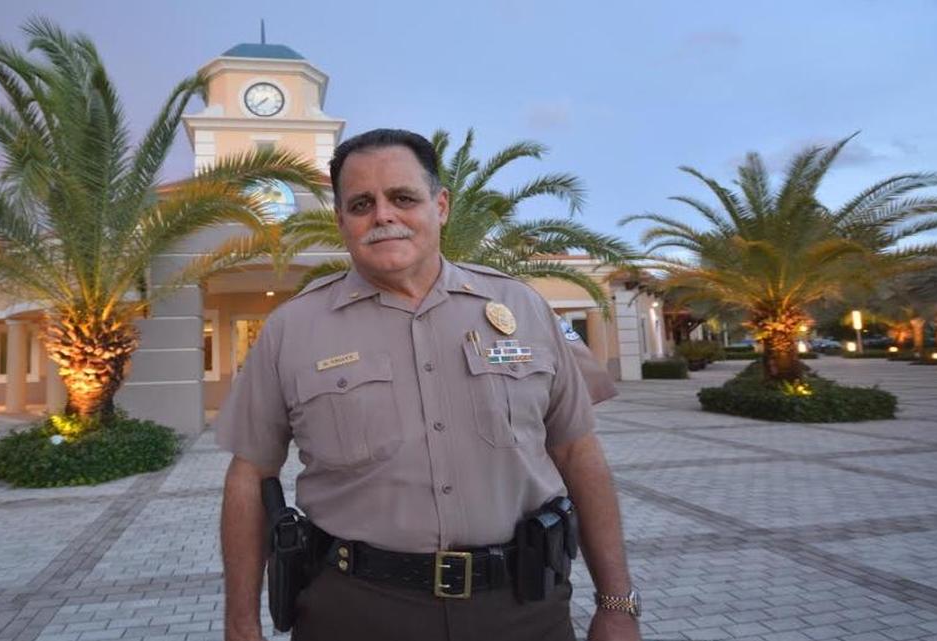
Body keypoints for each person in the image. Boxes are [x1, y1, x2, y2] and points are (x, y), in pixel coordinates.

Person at [217, 129, 640, 641]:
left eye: (403, 198)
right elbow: (249, 475)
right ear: (341, 221)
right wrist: (240, 623)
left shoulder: (522, 308)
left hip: (522, 608)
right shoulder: (291, 329)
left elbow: (578, 452)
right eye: (361, 204)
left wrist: (617, 604)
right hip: (355, 613)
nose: (383, 216)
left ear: (440, 205)